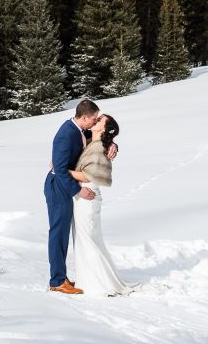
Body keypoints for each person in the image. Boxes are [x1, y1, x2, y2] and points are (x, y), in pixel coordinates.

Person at [44, 99, 116, 295]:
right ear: (84, 117)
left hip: (66, 185)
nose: (95, 121)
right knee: (59, 233)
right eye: (94, 119)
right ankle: (57, 281)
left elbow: (97, 138)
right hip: (58, 187)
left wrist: (113, 144)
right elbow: (59, 170)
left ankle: (62, 277)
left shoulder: (81, 130)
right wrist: (77, 191)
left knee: (65, 232)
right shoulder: (65, 134)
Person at [68, 114, 132, 296]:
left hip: (87, 195)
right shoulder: (89, 140)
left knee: (88, 239)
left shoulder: (99, 147)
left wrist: (63, 170)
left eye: (99, 120)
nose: (95, 120)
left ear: (103, 129)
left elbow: (89, 175)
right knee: (87, 239)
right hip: (83, 196)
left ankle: (96, 282)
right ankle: (91, 278)